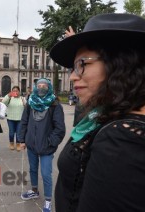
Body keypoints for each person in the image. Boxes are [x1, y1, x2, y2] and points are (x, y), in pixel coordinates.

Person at [50, 13, 145, 212]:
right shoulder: (110, 114)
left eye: (82, 65)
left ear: (119, 63)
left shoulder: (122, 139)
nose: (73, 77)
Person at [19, 78, 65, 212]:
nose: (41, 87)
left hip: (46, 147)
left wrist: (50, 142)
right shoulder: (30, 102)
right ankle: (34, 190)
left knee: (46, 174)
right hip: (31, 145)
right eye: (39, 85)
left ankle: (48, 199)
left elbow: (60, 129)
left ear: (49, 87)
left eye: (44, 85)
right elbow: (24, 122)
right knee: (33, 169)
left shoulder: (54, 104)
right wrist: (22, 140)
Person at [1, 85, 26, 151]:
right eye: (14, 91)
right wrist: (8, 95)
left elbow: (26, 107)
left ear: (19, 91)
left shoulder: (22, 98)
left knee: (18, 133)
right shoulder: (9, 98)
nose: (15, 92)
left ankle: (18, 144)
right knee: (11, 133)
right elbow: (3, 103)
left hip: (20, 119)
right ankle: (11, 143)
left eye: (16, 91)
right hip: (10, 118)